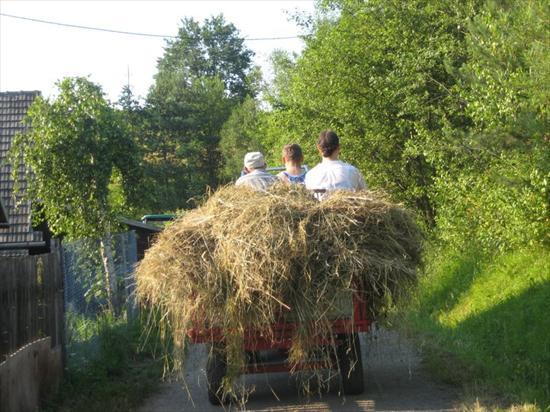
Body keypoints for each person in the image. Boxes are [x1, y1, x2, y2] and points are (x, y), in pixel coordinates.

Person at [304, 130, 366, 196]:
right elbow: (365, 195)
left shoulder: (310, 176)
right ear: (339, 147)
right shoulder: (353, 172)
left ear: (318, 148)